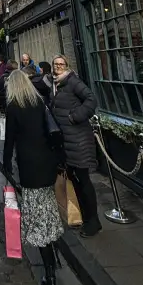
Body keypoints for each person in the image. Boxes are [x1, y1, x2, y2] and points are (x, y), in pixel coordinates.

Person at [3, 70, 63, 285]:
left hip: (30, 168)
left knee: (38, 222)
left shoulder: (14, 107)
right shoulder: (39, 102)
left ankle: (50, 277)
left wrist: (7, 164)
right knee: (48, 209)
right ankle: (56, 258)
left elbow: (9, 140)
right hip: (47, 163)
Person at [50, 55, 101, 237]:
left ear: (67, 66)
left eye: (61, 64)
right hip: (67, 141)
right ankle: (85, 218)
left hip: (79, 139)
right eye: (55, 64)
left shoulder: (73, 82)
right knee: (76, 180)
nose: (58, 66)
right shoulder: (56, 84)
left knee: (83, 180)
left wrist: (75, 116)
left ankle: (93, 221)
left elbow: (91, 99)